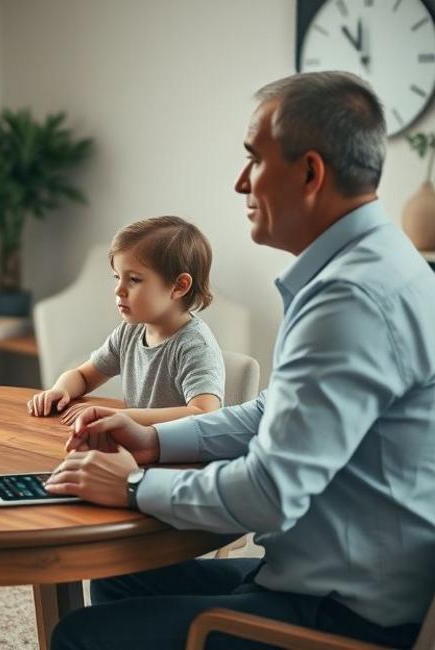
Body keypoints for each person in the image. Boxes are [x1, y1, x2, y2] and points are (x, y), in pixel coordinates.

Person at [46, 71, 435, 649]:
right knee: (120, 569)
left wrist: (134, 487)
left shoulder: (350, 299)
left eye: (253, 159)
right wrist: (155, 443)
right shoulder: (379, 265)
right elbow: (269, 414)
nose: (239, 182)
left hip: (340, 616)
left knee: (81, 635)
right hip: (321, 580)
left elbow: (270, 491)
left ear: (310, 172)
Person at [27, 216, 225, 427]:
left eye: (134, 279)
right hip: (137, 446)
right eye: (117, 277)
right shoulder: (129, 332)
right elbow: (83, 376)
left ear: (179, 286)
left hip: (177, 457)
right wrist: (60, 390)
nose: (119, 290)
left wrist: (120, 415)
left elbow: (204, 414)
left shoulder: (195, 346)